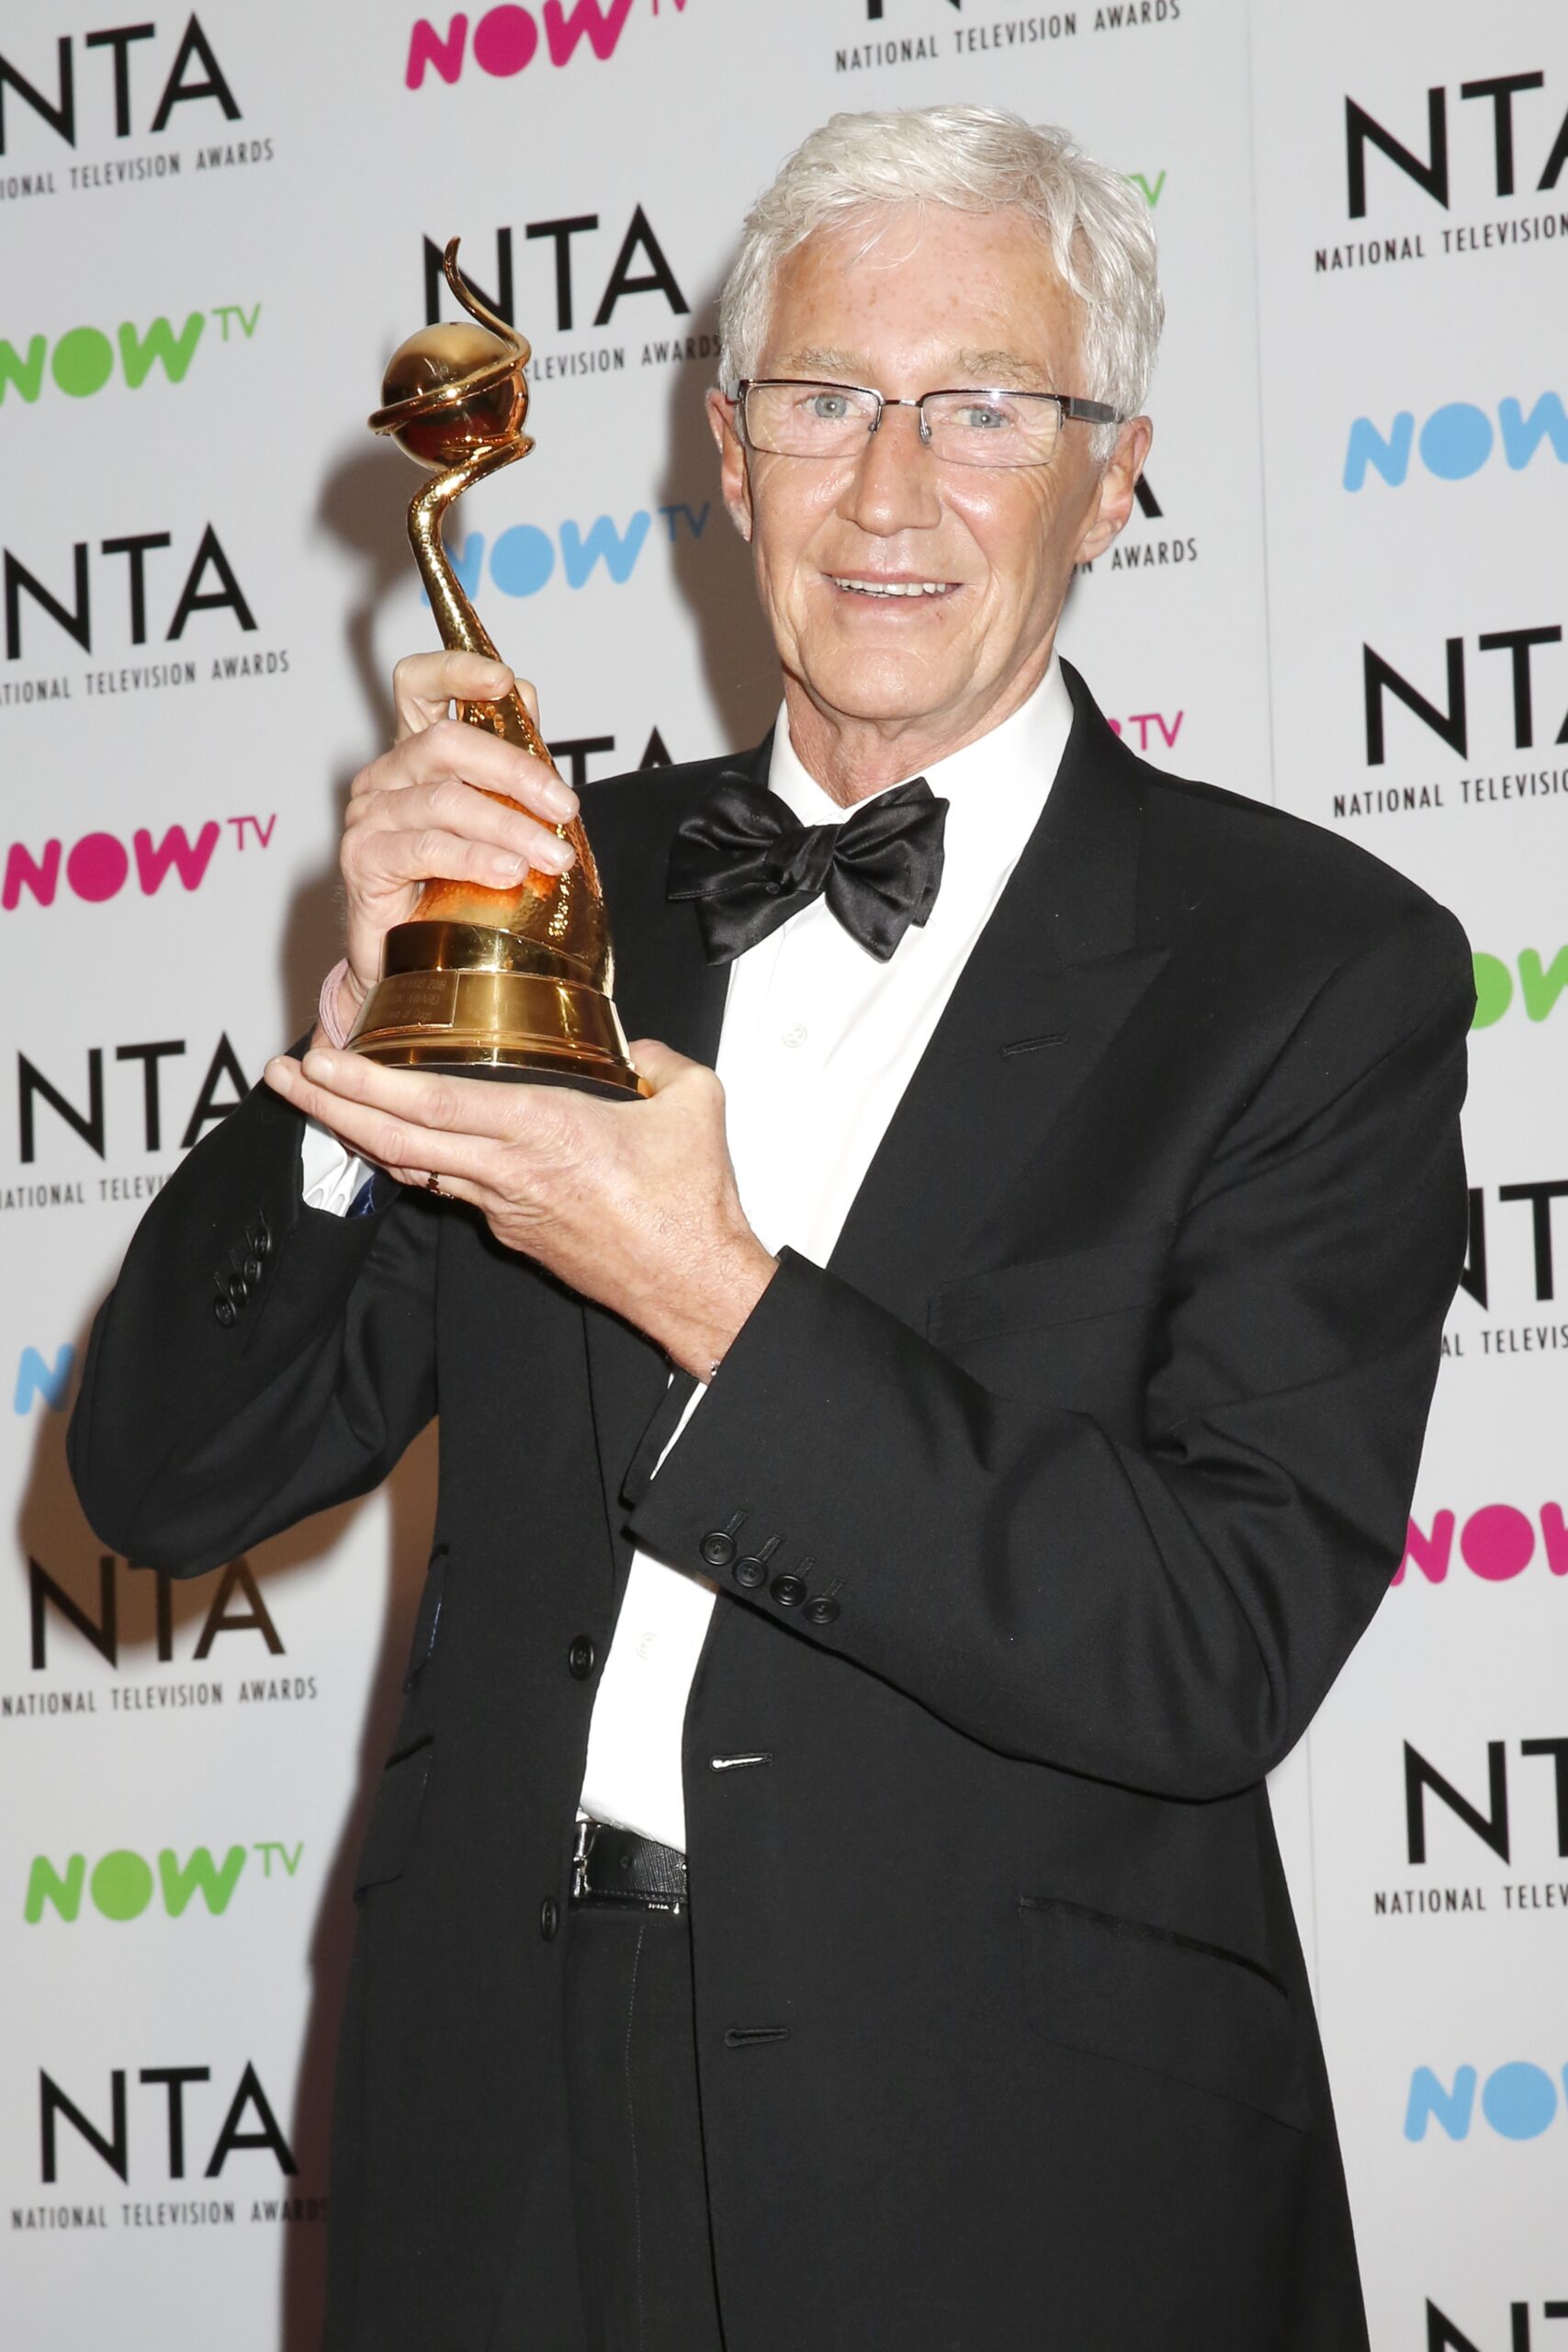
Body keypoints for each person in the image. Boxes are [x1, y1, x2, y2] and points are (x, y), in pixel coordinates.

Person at [70, 104, 1472, 2352]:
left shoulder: (1311, 963)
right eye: (823, 400)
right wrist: (356, 1049)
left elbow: (1210, 1634)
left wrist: (703, 1286)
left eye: (984, 408)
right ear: (727, 454)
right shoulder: (550, 900)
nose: (889, 491)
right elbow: (157, 1478)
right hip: (499, 2125)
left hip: (1008, 2160)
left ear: (1113, 472)